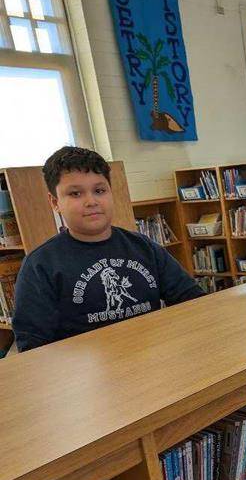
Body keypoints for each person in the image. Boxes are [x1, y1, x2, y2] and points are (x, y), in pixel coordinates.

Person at [12, 146, 205, 352]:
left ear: (111, 192)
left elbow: (193, 302)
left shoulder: (144, 247)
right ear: (55, 202)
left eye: (99, 191)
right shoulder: (40, 265)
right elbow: (32, 347)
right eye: (75, 193)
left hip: (152, 357)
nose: (91, 202)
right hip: (86, 370)